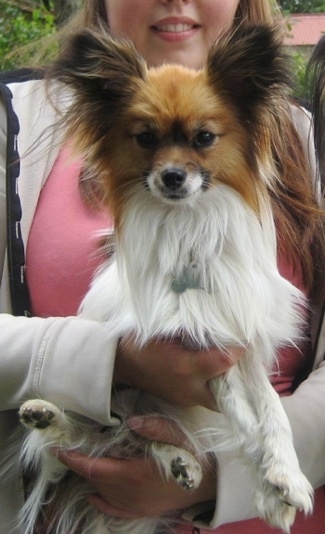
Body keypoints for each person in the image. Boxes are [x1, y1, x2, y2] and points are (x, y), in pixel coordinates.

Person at [0, 1, 324, 533]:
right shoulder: (13, 120)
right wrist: (109, 361)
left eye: (202, 138)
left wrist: (227, 476)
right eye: (147, 139)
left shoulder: (311, 137)